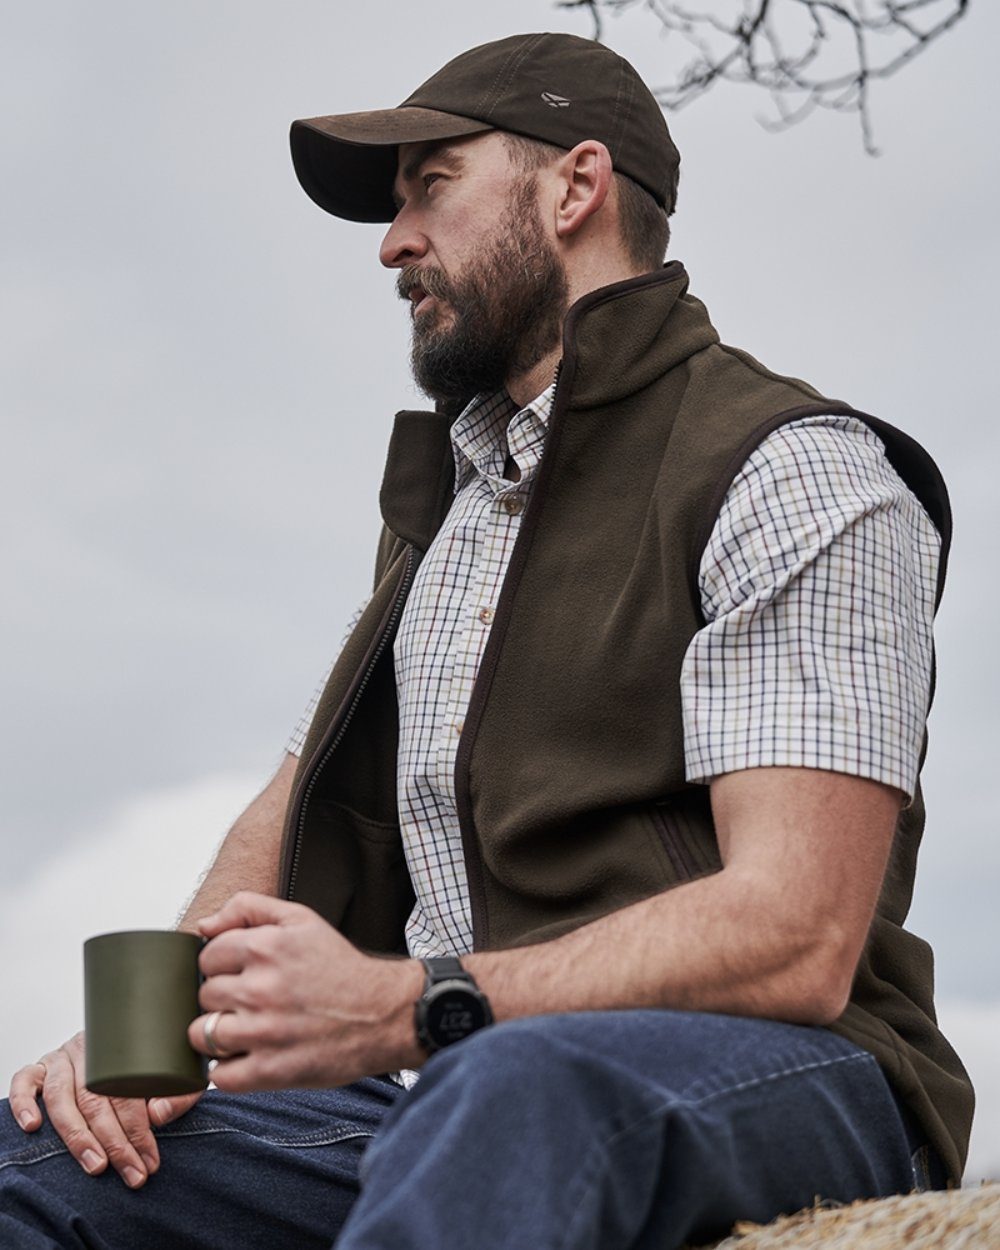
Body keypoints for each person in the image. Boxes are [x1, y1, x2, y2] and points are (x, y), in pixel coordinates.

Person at [1, 31, 974, 1250]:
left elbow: (797, 934)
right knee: (48, 1155)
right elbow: (298, 792)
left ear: (574, 189)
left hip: (785, 1076)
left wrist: (415, 999)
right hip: (460, 1071)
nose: (394, 241)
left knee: (512, 1092)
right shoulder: (454, 512)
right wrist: (155, 1037)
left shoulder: (792, 471)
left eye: (431, 186)